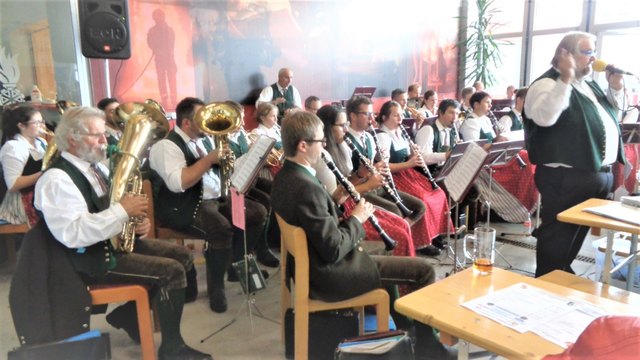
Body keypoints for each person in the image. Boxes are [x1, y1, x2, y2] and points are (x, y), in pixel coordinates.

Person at [271, 110, 455, 360]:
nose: (324, 146)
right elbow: (333, 248)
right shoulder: (306, 187)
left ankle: (405, 330)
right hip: (329, 273)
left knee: (386, 249)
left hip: (312, 265)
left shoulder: (286, 176)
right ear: (303, 145)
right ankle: (427, 345)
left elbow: (319, 223)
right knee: (423, 270)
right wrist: (357, 217)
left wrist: (342, 202)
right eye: (320, 141)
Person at [33, 106, 211, 359]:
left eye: (104, 134)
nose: (105, 141)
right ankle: (172, 348)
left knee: (182, 256)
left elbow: (108, 212)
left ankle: (129, 316)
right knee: (171, 271)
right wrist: (122, 213)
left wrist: (136, 227)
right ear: (72, 138)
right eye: (97, 135)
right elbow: (73, 234)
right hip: (82, 262)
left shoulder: (95, 168)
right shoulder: (56, 179)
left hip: (106, 246)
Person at [149, 97, 268, 312]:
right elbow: (179, 184)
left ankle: (236, 264)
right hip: (186, 203)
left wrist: (234, 161)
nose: (208, 124)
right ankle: (217, 288)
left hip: (216, 195)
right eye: (202, 119)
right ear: (186, 123)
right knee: (220, 228)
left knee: (257, 213)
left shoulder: (203, 140)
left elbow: (218, 174)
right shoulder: (166, 146)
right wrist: (208, 160)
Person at [523, 31, 625, 277]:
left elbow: (613, 119)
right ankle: (547, 280)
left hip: (596, 174)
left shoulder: (589, 85)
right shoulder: (546, 84)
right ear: (565, 54)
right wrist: (565, 79)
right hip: (566, 177)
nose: (593, 58)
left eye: (594, 51)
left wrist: (616, 89)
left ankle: (561, 273)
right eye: (587, 51)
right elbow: (545, 118)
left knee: (575, 235)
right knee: (558, 236)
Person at [314, 104, 415, 258]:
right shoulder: (323, 156)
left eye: (346, 124)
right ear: (327, 127)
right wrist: (368, 185)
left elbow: (347, 183)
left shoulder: (342, 146)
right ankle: (394, 273)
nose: (346, 129)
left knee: (402, 223)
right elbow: (335, 199)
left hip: (353, 200)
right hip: (341, 212)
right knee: (399, 232)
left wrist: (360, 174)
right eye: (341, 126)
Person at [344, 96, 431, 253]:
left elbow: (378, 164)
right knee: (396, 212)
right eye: (367, 114)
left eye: (372, 113)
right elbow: (347, 179)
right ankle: (396, 242)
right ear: (353, 116)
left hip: (378, 185)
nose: (372, 118)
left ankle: (399, 239)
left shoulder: (370, 137)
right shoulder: (345, 141)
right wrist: (373, 170)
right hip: (362, 190)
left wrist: (381, 161)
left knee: (419, 207)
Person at [376, 100, 453, 255]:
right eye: (395, 116)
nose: (400, 119)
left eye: (400, 115)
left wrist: (413, 154)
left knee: (438, 193)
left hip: (407, 173)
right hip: (394, 177)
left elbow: (408, 157)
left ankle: (434, 235)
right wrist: (409, 163)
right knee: (423, 198)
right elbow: (383, 166)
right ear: (384, 118)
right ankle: (420, 242)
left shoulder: (400, 132)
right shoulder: (382, 136)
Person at [0, 105, 46, 226]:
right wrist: (44, 173)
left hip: (39, 194)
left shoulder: (42, 143)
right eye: (37, 123)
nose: (42, 126)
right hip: (21, 202)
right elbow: (13, 184)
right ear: (21, 125)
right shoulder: (13, 147)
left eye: (42, 122)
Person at [414, 99, 460, 173]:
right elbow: (422, 158)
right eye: (451, 113)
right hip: (428, 174)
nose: (454, 118)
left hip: (444, 171)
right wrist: (446, 155)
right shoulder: (428, 130)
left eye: (457, 114)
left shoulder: (452, 130)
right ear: (441, 112)